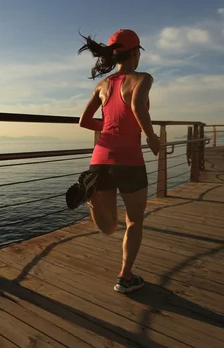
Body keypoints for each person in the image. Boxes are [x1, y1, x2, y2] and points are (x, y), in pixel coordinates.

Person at [66, 29, 160, 294]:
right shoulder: (142, 78)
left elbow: (83, 122)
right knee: (134, 222)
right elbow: (138, 107)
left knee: (109, 227)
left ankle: (91, 195)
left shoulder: (103, 84)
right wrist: (152, 137)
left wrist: (108, 125)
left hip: (100, 158)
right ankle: (125, 277)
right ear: (135, 53)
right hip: (128, 159)